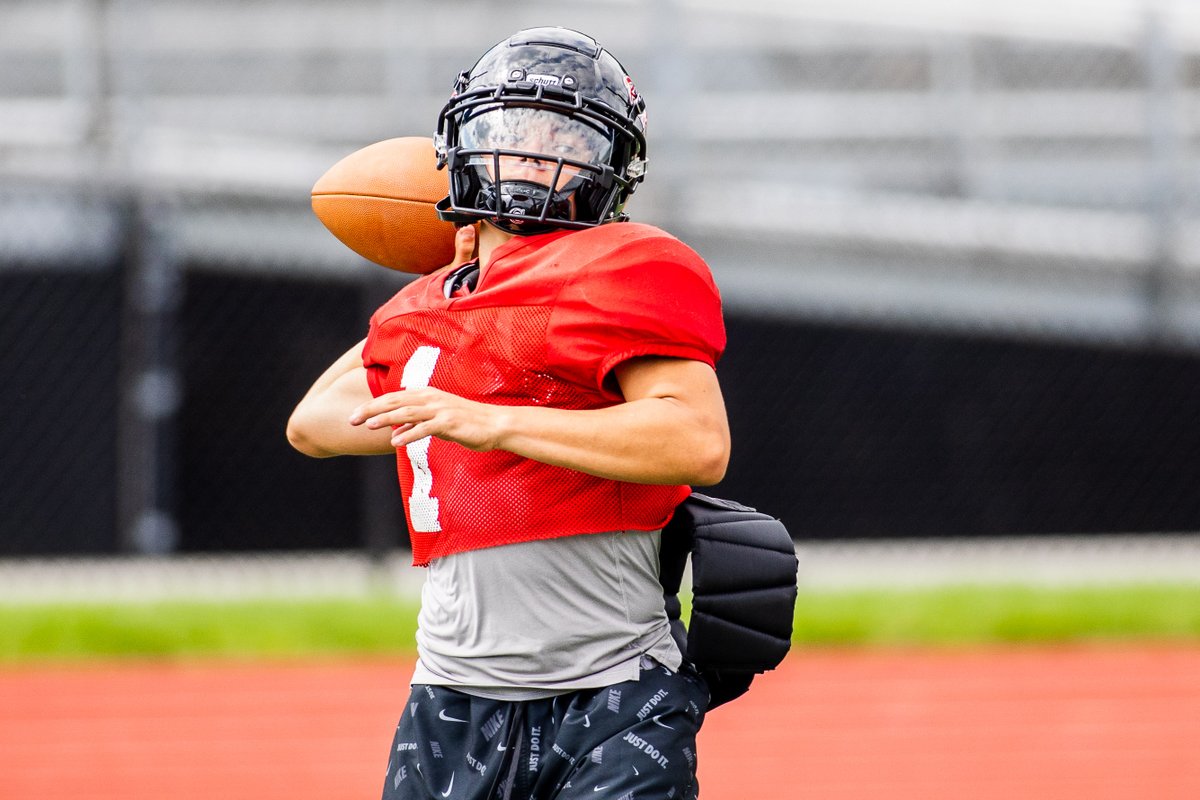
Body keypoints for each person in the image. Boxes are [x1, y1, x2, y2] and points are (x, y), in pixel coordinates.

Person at [287, 26, 729, 800]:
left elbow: (695, 438)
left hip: (610, 687)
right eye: (512, 134)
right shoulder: (434, 304)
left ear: (610, 166)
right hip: (451, 697)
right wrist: (433, 294)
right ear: (462, 150)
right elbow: (316, 423)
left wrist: (491, 419)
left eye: (564, 136)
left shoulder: (625, 266)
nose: (535, 156)